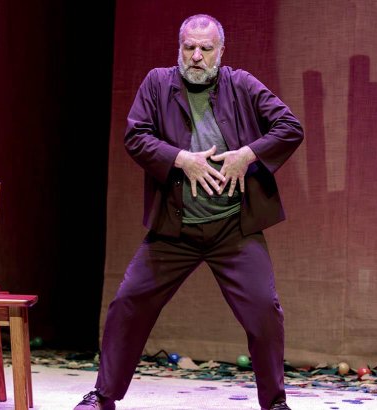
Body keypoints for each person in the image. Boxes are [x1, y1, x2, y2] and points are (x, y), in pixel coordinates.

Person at [74, 14, 303, 410]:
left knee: (264, 310)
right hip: (175, 229)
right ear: (179, 48)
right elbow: (136, 136)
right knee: (128, 302)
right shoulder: (157, 84)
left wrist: (248, 154)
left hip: (233, 228)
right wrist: (181, 159)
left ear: (220, 51)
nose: (196, 56)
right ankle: (103, 396)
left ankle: (275, 403)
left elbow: (289, 126)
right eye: (189, 47)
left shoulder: (241, 84)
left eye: (205, 48)